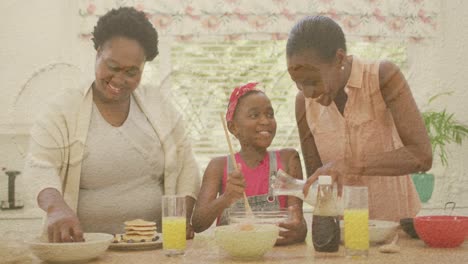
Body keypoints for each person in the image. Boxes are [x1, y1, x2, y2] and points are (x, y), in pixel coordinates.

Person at [23, 7, 200, 242]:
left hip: (153, 246)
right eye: (112, 67)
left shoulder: (159, 105)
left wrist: (181, 216)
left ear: (144, 67)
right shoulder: (63, 109)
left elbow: (187, 163)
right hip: (82, 248)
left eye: (132, 72)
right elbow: (39, 166)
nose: (119, 79)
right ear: (97, 53)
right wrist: (56, 207)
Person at [286, 15, 433, 222]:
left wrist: (350, 164)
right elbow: (318, 181)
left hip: (396, 230)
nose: (307, 92)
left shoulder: (383, 76)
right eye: (298, 83)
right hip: (344, 236)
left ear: (339, 59)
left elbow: (421, 156)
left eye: (312, 81)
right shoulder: (303, 103)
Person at [191, 82, 307, 245]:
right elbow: (198, 224)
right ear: (233, 127)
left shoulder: (288, 159)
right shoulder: (218, 167)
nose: (265, 121)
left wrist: (300, 229)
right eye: (254, 115)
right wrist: (226, 198)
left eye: (270, 114)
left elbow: (297, 221)